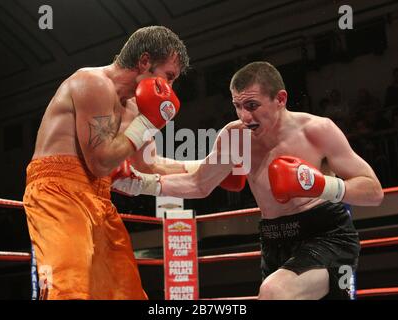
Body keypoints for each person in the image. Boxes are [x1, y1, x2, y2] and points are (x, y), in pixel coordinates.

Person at [124, 61, 384, 299]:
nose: (245, 117)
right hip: (273, 240)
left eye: (252, 106)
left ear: (280, 99)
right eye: (238, 106)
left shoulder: (317, 130)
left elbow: (374, 192)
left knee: (274, 293)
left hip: (326, 236)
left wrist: (321, 185)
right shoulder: (234, 137)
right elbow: (199, 184)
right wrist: (139, 183)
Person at [22, 26, 190, 300]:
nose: (169, 88)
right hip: (58, 192)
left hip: (99, 197)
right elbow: (101, 163)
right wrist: (148, 123)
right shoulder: (93, 83)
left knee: (125, 293)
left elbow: (149, 165)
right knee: (70, 289)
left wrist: (212, 165)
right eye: (168, 76)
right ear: (145, 61)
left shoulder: (134, 107)